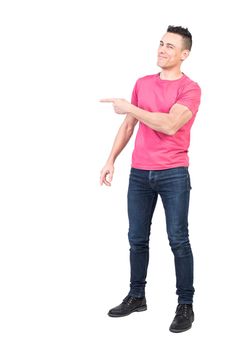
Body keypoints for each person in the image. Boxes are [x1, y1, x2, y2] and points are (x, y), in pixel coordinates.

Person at [100, 25, 201, 333]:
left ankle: (185, 305)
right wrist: (110, 159)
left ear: (184, 54)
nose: (161, 49)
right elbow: (129, 126)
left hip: (173, 173)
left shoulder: (191, 89)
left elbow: (170, 124)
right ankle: (136, 296)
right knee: (136, 238)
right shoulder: (142, 83)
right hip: (139, 174)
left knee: (178, 240)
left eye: (170, 46)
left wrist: (129, 106)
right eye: (160, 43)